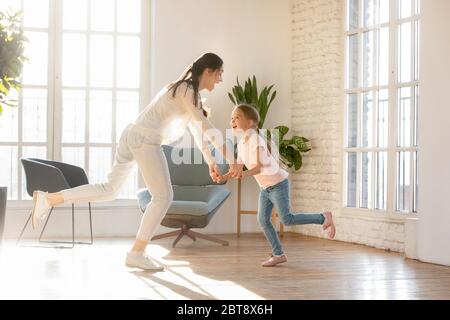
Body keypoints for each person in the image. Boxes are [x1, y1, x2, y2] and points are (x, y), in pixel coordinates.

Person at [31, 53, 235, 271]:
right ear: (208, 71)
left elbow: (197, 131)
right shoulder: (187, 90)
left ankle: (48, 199)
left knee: (109, 190)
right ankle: (137, 252)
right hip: (145, 139)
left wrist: (211, 162)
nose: (220, 79)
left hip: (133, 135)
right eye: (220, 73)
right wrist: (233, 161)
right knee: (163, 196)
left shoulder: (185, 91)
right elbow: (205, 127)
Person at [221, 104, 336, 267]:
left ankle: (323, 217)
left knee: (286, 219)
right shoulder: (241, 144)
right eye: (231, 117)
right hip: (265, 188)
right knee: (263, 220)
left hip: (278, 184)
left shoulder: (256, 140)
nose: (232, 120)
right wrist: (224, 177)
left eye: (237, 117)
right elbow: (238, 167)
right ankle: (278, 254)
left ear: (250, 122)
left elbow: (258, 167)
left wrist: (242, 174)